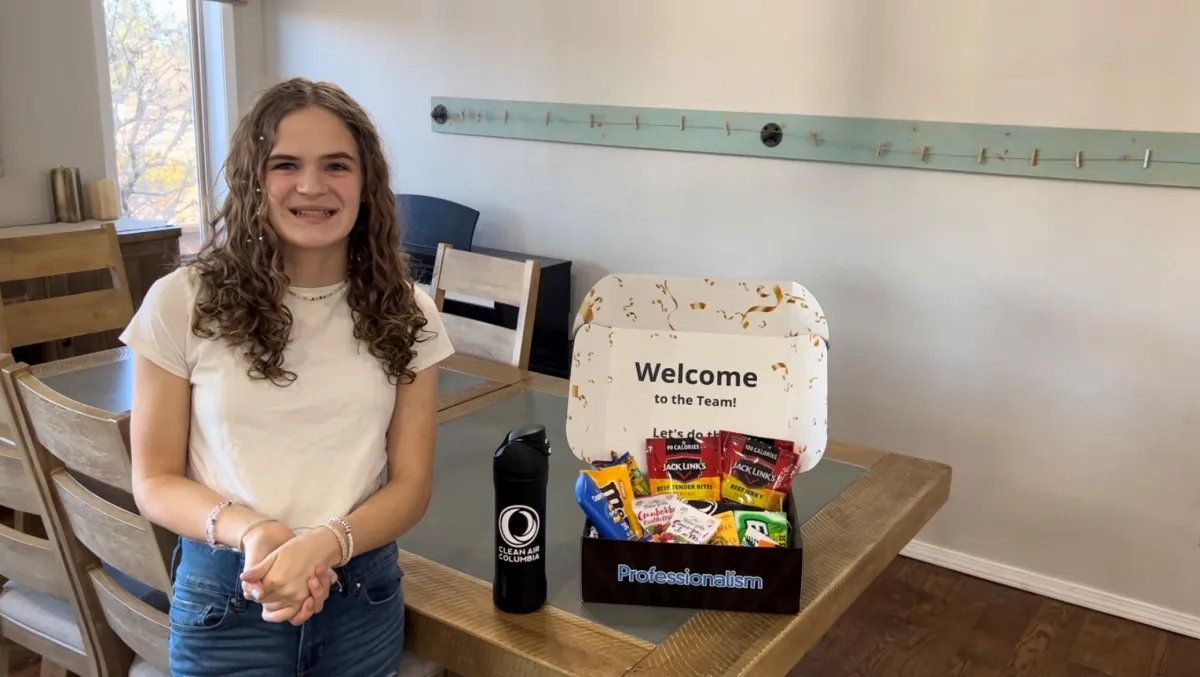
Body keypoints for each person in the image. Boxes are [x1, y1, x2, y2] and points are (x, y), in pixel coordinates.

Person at [121, 77, 454, 676]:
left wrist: (325, 545)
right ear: (254, 179)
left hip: (361, 597)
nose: (312, 186)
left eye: (336, 165)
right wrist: (255, 532)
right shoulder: (181, 302)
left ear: (367, 183)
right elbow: (154, 479)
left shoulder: (410, 312)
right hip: (226, 600)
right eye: (285, 164)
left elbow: (411, 486)